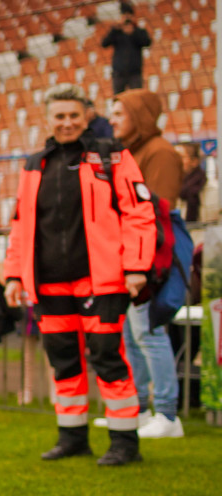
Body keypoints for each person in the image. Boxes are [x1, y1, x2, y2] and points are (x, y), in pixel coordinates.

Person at [4, 83, 156, 465]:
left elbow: (139, 213)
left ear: (86, 115)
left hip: (101, 280)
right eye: (60, 116)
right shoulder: (34, 163)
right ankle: (72, 437)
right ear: (48, 119)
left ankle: (125, 442)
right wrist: (14, 276)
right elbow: (20, 224)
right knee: (63, 361)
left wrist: (136, 268)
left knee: (108, 358)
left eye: (74, 115)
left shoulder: (112, 155)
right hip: (49, 282)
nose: (67, 123)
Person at [109, 89, 185, 438]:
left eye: (119, 113)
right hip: (131, 255)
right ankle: (138, 410)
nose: (112, 120)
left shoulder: (161, 153)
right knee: (132, 332)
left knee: (149, 331)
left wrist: (144, 266)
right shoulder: (131, 152)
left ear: (138, 116)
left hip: (153, 258)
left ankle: (168, 415)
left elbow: (158, 213)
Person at [101, 1, 151, 94]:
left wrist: (133, 32)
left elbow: (147, 42)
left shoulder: (139, 31)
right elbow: (104, 44)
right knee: (118, 99)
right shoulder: (116, 31)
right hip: (118, 73)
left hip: (135, 73)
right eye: (124, 15)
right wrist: (115, 29)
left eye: (129, 15)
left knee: (136, 99)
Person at [176, 142, 207, 223]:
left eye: (181, 156)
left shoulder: (210, 188)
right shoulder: (171, 187)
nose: (175, 160)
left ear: (194, 162)